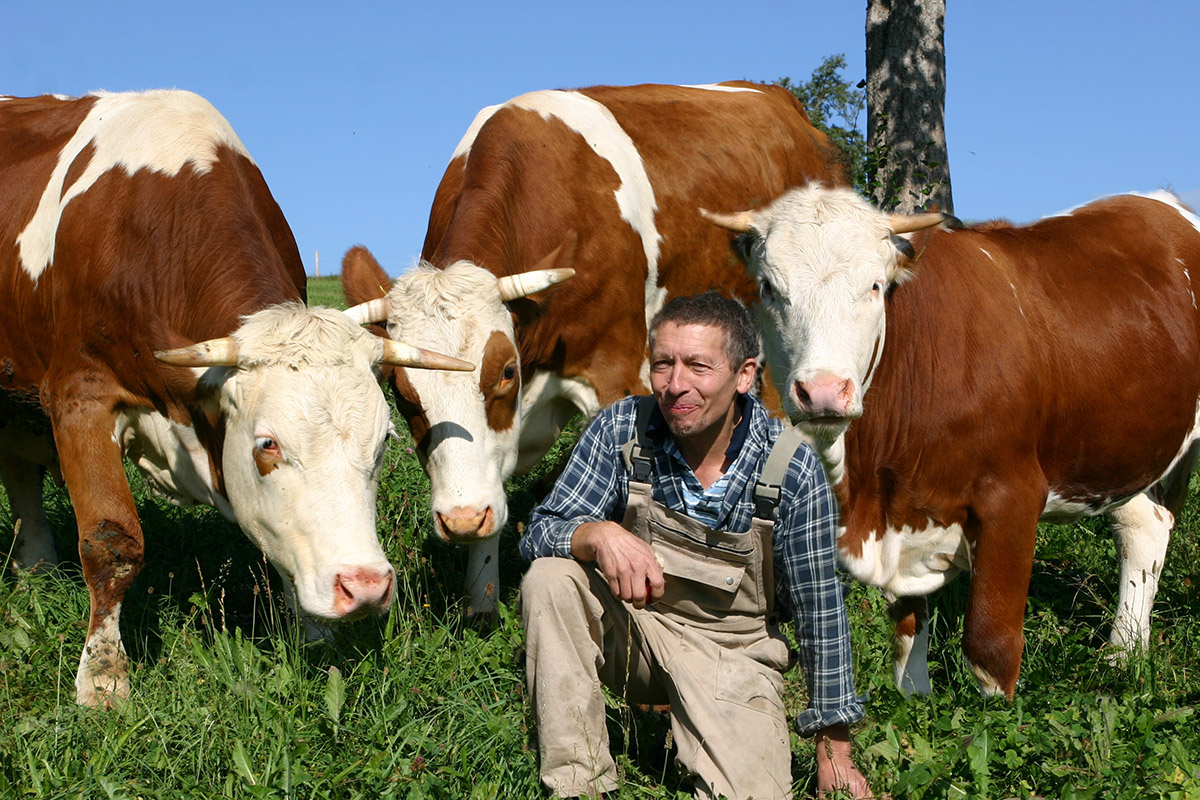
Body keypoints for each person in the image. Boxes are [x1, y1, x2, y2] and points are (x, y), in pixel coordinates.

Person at [518, 291, 875, 799]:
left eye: (698, 366)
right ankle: (579, 784)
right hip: (637, 632)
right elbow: (540, 532)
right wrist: (594, 534)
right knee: (552, 579)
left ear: (744, 376)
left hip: (735, 654)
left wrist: (834, 751)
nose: (675, 385)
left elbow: (820, 611)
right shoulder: (623, 428)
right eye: (663, 364)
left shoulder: (789, 467)